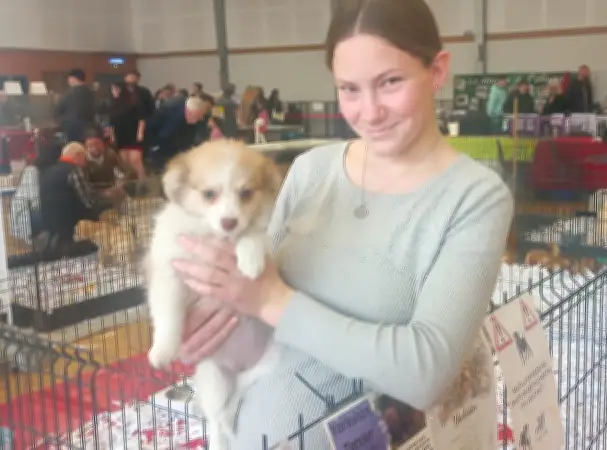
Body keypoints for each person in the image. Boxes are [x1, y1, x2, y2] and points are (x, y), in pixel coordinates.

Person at [168, 0, 513, 447]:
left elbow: (424, 373)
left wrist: (272, 300)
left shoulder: (474, 198)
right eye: (349, 89)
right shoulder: (312, 171)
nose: (369, 112)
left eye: (390, 83)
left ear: (438, 70)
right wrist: (198, 328)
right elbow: (248, 290)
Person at [38, 142, 114, 247]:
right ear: (77, 156)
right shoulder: (74, 171)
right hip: (71, 223)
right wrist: (106, 197)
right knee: (107, 207)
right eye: (84, 158)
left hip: (49, 222)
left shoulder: (47, 172)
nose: (85, 163)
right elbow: (88, 202)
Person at [9, 144, 61, 243]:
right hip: (24, 215)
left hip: (31, 212)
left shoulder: (40, 172)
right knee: (54, 215)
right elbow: (34, 199)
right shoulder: (32, 171)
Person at [145, 96, 211, 171]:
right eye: (197, 116)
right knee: (165, 166)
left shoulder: (191, 112)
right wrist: (154, 146)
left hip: (176, 139)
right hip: (159, 141)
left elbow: (190, 134)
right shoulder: (171, 113)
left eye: (201, 116)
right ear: (188, 111)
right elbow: (154, 129)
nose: (200, 118)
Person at [84, 126, 136, 197]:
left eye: (96, 144)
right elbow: (85, 187)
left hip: (113, 190)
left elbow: (129, 171)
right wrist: (102, 193)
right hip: (95, 195)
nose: (94, 148)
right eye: (90, 145)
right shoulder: (83, 160)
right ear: (85, 146)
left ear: (102, 144)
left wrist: (122, 183)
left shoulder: (110, 155)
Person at [109, 82, 147, 180]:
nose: (114, 92)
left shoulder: (133, 102)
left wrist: (140, 132)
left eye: (116, 89)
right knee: (124, 161)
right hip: (120, 134)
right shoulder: (113, 104)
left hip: (133, 133)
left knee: (135, 160)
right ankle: (130, 182)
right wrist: (112, 135)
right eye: (113, 90)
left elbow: (141, 119)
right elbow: (111, 122)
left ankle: (142, 181)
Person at [54, 68, 96, 142]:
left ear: (73, 78)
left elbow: (58, 110)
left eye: (69, 78)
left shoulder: (68, 94)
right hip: (88, 129)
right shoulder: (91, 93)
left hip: (71, 129)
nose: (68, 81)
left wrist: (61, 121)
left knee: (73, 150)